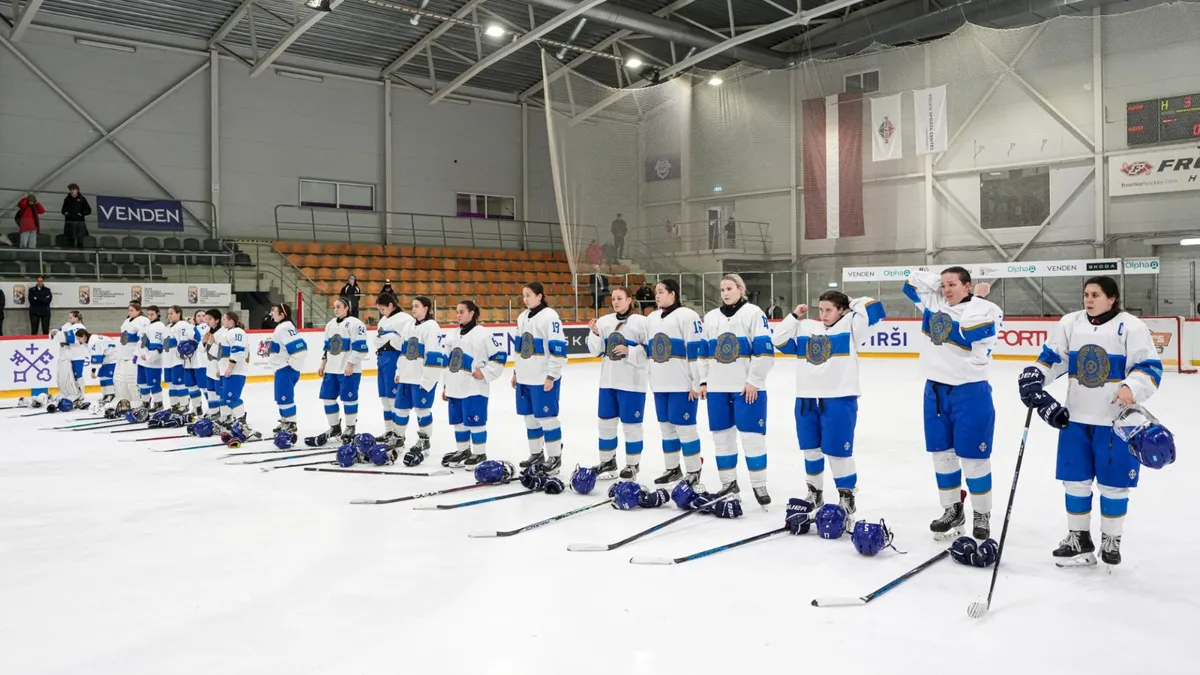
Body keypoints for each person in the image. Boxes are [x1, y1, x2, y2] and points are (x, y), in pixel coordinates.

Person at [1022, 276, 1164, 566]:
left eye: (1096, 295)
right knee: (1075, 481)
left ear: (1112, 299)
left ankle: (1111, 539)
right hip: (1075, 417)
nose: (1089, 299)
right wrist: (1036, 375)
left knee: (1114, 484)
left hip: (1116, 422)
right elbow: (1053, 358)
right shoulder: (1070, 323)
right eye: (1086, 294)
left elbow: (1149, 366)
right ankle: (1079, 539)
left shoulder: (1131, 326)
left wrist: (1131, 386)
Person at [902, 266, 1002, 541]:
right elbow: (910, 284)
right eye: (943, 286)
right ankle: (951, 509)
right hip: (935, 391)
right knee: (942, 455)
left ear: (968, 286)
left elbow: (971, 332)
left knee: (974, 459)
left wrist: (977, 298)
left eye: (953, 285)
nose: (946, 290)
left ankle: (981, 513)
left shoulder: (987, 309)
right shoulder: (933, 302)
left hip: (970, 391)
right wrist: (941, 283)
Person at [772, 290, 886, 526]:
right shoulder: (806, 327)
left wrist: (850, 302)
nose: (823, 315)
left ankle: (847, 496)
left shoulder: (851, 325)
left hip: (839, 399)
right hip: (806, 399)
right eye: (821, 310)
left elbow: (875, 309)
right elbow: (778, 340)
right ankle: (815, 492)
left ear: (841, 310)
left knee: (838, 452)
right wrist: (794, 316)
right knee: (811, 450)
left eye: (829, 310)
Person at [697, 273, 775, 505]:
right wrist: (704, 380)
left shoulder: (753, 313)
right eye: (722, 289)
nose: (725, 293)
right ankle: (728, 483)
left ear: (741, 289)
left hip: (746, 389)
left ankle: (759, 485)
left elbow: (764, 352)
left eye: (729, 288)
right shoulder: (711, 317)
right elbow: (703, 354)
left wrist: (754, 381)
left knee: (752, 437)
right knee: (721, 438)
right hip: (717, 389)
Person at [644, 279, 705, 486]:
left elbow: (695, 351)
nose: (657, 295)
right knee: (666, 428)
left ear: (673, 294)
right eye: (656, 292)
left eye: (661, 291)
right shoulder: (651, 318)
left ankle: (694, 470)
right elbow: (649, 351)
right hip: (660, 384)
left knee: (686, 429)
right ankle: (672, 469)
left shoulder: (688, 316)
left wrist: (696, 383)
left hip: (682, 385)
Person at [587, 286, 650, 480]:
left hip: (632, 384)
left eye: (619, 298)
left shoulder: (642, 322)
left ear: (630, 300)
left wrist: (630, 351)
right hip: (608, 381)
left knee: (631, 425)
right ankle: (607, 462)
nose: (615, 302)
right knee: (605, 423)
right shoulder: (604, 321)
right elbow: (596, 351)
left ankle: (632, 465)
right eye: (613, 299)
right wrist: (595, 333)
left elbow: (651, 350)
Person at [440, 300, 508, 467]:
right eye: (457, 311)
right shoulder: (452, 335)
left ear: (472, 313)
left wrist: (484, 372)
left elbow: (500, 356)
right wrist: (445, 386)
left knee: (475, 422)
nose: (458, 315)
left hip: (474, 387)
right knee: (458, 422)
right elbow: (447, 363)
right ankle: (463, 450)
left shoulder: (483, 334)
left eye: (462, 312)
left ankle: (479, 453)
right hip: (455, 386)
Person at [512, 281, 567, 474]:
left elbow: (558, 350)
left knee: (547, 419)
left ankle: (555, 457)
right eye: (523, 295)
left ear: (539, 296)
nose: (525, 299)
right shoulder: (522, 317)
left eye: (528, 295)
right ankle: (536, 454)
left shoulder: (550, 317)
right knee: (529, 419)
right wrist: (516, 373)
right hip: (525, 378)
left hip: (542, 379)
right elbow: (519, 348)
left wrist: (552, 376)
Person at [306, 297, 367, 446]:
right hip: (332, 370)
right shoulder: (330, 325)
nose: (335, 309)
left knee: (349, 399)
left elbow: (361, 348)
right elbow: (327, 347)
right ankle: (335, 428)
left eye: (339, 306)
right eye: (334, 307)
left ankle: (350, 427)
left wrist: (350, 364)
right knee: (327, 397)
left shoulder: (356, 324)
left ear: (347, 308)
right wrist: (323, 364)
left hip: (348, 370)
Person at [394, 296, 444, 463]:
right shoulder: (409, 325)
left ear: (426, 308)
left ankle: (424, 441)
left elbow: (435, 356)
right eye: (412, 306)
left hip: (421, 378)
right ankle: (399, 438)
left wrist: (428, 379)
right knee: (400, 409)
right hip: (406, 377)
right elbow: (403, 352)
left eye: (417, 306)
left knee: (422, 410)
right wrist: (398, 371)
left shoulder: (432, 327)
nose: (413, 309)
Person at [374, 293, 414, 446]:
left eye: (383, 309)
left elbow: (406, 342)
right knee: (385, 398)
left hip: (393, 359)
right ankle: (389, 431)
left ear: (391, 305)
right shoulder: (383, 320)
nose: (381, 312)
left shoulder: (405, 319)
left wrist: (390, 338)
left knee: (393, 398)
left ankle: (398, 434)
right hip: (382, 358)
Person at [266, 303, 306, 437]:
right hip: (282, 368)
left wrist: (291, 364)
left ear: (282, 314)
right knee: (281, 396)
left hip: (285, 369)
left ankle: (291, 422)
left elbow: (299, 348)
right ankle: (285, 420)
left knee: (285, 396)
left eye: (275, 312)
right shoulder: (286, 326)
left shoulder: (283, 327)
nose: (272, 314)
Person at [218, 311, 251, 429]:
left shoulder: (237, 332)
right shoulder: (228, 332)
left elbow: (238, 350)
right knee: (225, 397)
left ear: (231, 321)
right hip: (227, 372)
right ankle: (229, 419)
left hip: (235, 372)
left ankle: (241, 422)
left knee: (232, 398)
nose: (222, 321)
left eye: (224, 319)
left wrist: (229, 368)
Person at [49, 311, 89, 408]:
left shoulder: (80, 327)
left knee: (78, 375)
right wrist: (54, 332)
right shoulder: (68, 325)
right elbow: (59, 332)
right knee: (72, 376)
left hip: (78, 355)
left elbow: (70, 338)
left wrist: (58, 334)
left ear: (77, 318)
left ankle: (81, 396)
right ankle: (74, 393)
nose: (69, 319)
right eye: (69, 317)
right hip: (71, 355)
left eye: (71, 317)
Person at [163, 306, 193, 412]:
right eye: (168, 313)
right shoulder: (168, 327)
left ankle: (184, 405)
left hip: (177, 361)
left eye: (171, 313)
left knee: (179, 383)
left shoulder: (182, 325)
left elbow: (184, 344)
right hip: (168, 361)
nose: (169, 315)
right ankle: (174, 405)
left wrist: (182, 357)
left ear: (179, 313)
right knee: (170, 383)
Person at [137, 306, 167, 412]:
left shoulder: (159, 326)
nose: (150, 316)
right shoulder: (147, 325)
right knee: (142, 382)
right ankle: (145, 403)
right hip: (142, 360)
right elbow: (141, 342)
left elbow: (157, 346)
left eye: (152, 314)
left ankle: (158, 403)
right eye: (148, 314)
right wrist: (139, 355)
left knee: (153, 383)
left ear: (158, 314)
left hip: (153, 362)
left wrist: (149, 358)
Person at [183, 310, 210, 415]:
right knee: (191, 386)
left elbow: (198, 338)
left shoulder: (207, 328)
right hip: (189, 363)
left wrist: (191, 326)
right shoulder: (190, 328)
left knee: (205, 387)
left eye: (203, 316)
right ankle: (196, 408)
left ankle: (213, 409)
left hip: (202, 363)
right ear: (195, 318)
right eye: (198, 316)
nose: (201, 318)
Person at [201, 309, 226, 420]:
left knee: (220, 393)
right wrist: (204, 342)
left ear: (217, 320)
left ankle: (225, 414)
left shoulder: (223, 333)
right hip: (209, 368)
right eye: (206, 319)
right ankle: (213, 411)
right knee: (211, 391)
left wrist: (211, 344)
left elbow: (221, 353)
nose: (207, 321)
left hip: (218, 368)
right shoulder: (207, 331)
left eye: (210, 319)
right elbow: (201, 350)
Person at [89, 332, 118, 406]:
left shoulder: (95, 341)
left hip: (112, 359)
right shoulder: (96, 340)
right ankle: (105, 395)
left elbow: (97, 359)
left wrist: (93, 371)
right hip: (106, 359)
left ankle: (111, 395)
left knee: (108, 377)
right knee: (102, 376)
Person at [61, 184, 92, 249]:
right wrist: (65, 213)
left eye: (73, 189)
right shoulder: (67, 199)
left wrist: (81, 213)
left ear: (77, 190)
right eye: (71, 190)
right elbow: (63, 210)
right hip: (69, 222)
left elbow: (88, 210)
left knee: (80, 240)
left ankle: (80, 253)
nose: (72, 191)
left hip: (79, 222)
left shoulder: (82, 199)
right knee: (70, 241)